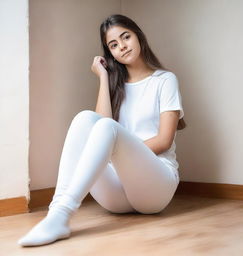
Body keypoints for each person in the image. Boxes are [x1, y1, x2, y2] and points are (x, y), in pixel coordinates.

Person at [18, 14, 186, 247]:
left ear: (138, 35)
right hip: (117, 196)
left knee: (108, 128)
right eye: (113, 45)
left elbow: (164, 140)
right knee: (85, 118)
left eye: (126, 37)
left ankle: (62, 214)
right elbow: (99, 126)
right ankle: (56, 215)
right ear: (110, 53)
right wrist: (104, 77)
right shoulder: (116, 85)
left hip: (156, 188)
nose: (122, 46)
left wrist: (116, 154)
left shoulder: (165, 80)